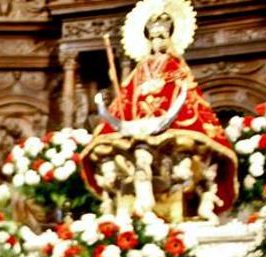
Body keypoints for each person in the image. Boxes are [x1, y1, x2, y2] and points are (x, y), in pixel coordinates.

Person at [81, 0, 238, 218]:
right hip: (136, 127)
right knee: (106, 148)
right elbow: (128, 96)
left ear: (169, 38)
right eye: (153, 38)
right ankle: (124, 199)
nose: (157, 42)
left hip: (168, 124)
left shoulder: (175, 66)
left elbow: (184, 91)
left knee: (186, 145)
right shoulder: (141, 68)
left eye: (161, 37)